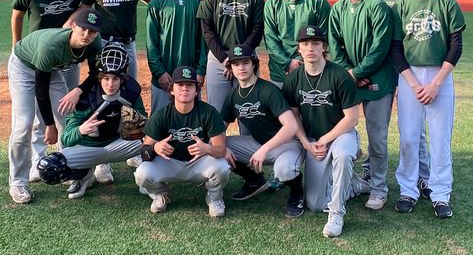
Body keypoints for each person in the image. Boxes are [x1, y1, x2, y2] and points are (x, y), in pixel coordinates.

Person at [392, 0, 465, 218]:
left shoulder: (446, 3)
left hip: (439, 76)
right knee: (409, 137)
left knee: (440, 138)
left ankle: (440, 193)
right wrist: (412, 84)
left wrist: (435, 83)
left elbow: (456, 46)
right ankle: (408, 190)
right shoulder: (401, 6)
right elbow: (396, 48)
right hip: (410, 76)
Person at [10, 0, 89, 182]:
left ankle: (66, 164)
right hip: (38, 56)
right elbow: (17, 14)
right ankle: (37, 162)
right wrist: (16, 43)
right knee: (34, 117)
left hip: (67, 56)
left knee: (66, 112)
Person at [8, 8, 103, 204]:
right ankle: (18, 181)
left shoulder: (94, 44)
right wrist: (49, 126)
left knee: (67, 121)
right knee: (24, 124)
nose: (87, 35)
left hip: (53, 70)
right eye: (83, 29)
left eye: (92, 31)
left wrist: (77, 90)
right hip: (24, 67)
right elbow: (40, 90)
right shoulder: (51, 46)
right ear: (73, 25)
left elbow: (95, 74)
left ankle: (71, 172)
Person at [282, 25, 369, 237]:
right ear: (299, 50)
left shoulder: (339, 75)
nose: (310, 48)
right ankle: (353, 185)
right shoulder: (293, 79)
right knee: (315, 203)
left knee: (343, 155)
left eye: (315, 43)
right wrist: (306, 143)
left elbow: (352, 118)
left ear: (324, 48)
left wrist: (325, 139)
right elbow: (293, 117)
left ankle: (337, 213)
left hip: (341, 135)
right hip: (313, 140)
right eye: (305, 44)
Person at [37, 42, 146, 199]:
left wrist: (136, 122)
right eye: (106, 78)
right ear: (99, 77)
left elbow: (145, 121)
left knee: (153, 139)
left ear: (123, 78)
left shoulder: (130, 92)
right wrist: (81, 130)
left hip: (118, 144)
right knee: (51, 167)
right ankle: (83, 175)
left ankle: (147, 180)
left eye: (115, 78)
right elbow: (66, 138)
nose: (111, 84)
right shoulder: (83, 99)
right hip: (89, 148)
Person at [328, 0, 396, 210]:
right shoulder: (339, 8)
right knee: (340, 129)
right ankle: (348, 181)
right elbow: (334, 44)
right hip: (350, 79)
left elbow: (380, 47)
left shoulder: (378, 6)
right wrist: (349, 73)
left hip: (378, 79)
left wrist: (356, 72)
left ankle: (379, 188)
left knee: (377, 137)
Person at [367, 0, 432, 200]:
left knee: (417, 128)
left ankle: (423, 176)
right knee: (378, 126)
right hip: (381, 68)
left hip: (411, 67)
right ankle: (369, 169)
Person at [220, 44, 304, 218]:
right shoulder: (233, 96)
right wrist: (220, 147)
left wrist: (264, 150)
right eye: (236, 64)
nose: (241, 67)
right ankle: (254, 180)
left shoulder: (268, 90)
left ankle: (297, 192)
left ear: (254, 65)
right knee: (218, 147)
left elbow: (291, 126)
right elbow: (219, 128)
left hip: (287, 144)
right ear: (231, 68)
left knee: (284, 170)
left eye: (245, 62)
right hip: (258, 143)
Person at [135, 66, 230, 217]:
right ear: (171, 89)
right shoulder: (161, 115)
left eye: (190, 85)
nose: (185, 89)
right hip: (170, 163)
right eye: (180, 85)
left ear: (196, 90)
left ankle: (214, 198)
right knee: (142, 174)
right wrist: (155, 148)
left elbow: (221, 150)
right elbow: (144, 152)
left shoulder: (208, 112)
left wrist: (207, 149)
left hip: (199, 163)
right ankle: (161, 194)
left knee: (222, 168)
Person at [196, 0, 265, 112]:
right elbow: (207, 30)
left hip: (247, 59)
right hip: (219, 59)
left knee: (249, 113)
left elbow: (257, 30)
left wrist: (238, 59)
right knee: (216, 113)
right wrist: (226, 60)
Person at [146, 0, 207, 113]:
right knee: (160, 123)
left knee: (192, 122)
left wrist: (201, 71)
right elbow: (151, 44)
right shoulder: (158, 3)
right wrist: (159, 72)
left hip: (191, 76)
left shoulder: (199, 2)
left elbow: (204, 41)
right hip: (164, 76)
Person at [264, 0, 331, 88]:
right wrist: (287, 63)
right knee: (282, 109)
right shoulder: (272, 4)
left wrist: (302, 62)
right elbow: (270, 40)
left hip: (311, 70)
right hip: (280, 72)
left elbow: (324, 37)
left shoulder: (318, 2)